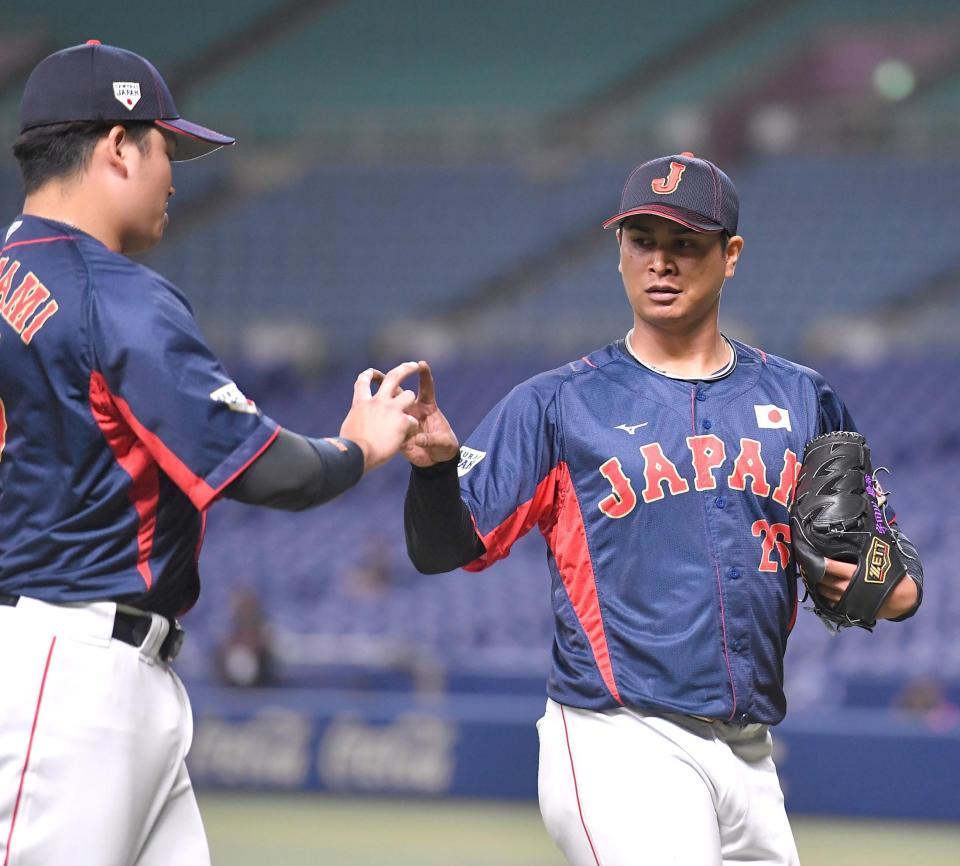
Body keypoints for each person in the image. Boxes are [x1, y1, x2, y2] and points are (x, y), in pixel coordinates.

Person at [402, 152, 924, 865]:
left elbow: (892, 573)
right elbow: (447, 548)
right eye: (642, 241)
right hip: (619, 738)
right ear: (619, 252)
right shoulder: (557, 404)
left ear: (730, 255)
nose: (661, 263)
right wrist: (434, 472)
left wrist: (891, 587)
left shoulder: (804, 399)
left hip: (749, 753)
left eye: (685, 243)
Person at [0, 42, 421, 865]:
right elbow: (271, 469)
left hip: (82, 660)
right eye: (165, 148)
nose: (173, 174)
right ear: (118, 146)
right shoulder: (112, 297)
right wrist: (360, 444)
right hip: (72, 672)